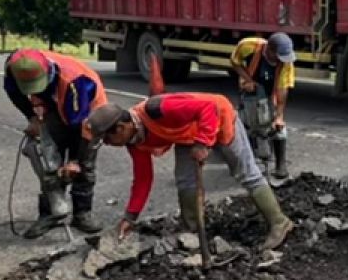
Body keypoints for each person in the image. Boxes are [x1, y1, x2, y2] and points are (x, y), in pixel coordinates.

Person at [84, 93, 294, 255]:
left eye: (107, 140)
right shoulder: (135, 140)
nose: (110, 145)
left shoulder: (158, 109)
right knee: (185, 180)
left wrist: (203, 142)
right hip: (187, 134)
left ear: (121, 128)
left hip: (218, 118)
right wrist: (130, 216)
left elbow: (208, 107)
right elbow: (143, 179)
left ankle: (279, 222)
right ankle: (190, 228)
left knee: (245, 173)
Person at [4, 48, 108, 238]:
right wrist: (32, 117)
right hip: (55, 103)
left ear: (48, 72)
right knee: (49, 161)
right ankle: (50, 213)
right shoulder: (14, 66)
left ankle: (82, 213)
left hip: (89, 111)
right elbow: (13, 92)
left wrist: (75, 160)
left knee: (84, 166)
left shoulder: (76, 81)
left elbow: (82, 126)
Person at [229, 33, 296, 179]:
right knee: (248, 126)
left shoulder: (286, 62)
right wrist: (247, 79)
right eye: (278, 56)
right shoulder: (248, 46)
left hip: (269, 91)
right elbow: (234, 61)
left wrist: (279, 117)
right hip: (250, 92)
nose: (281, 60)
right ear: (270, 51)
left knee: (277, 128)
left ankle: (280, 166)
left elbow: (282, 89)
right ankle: (250, 162)